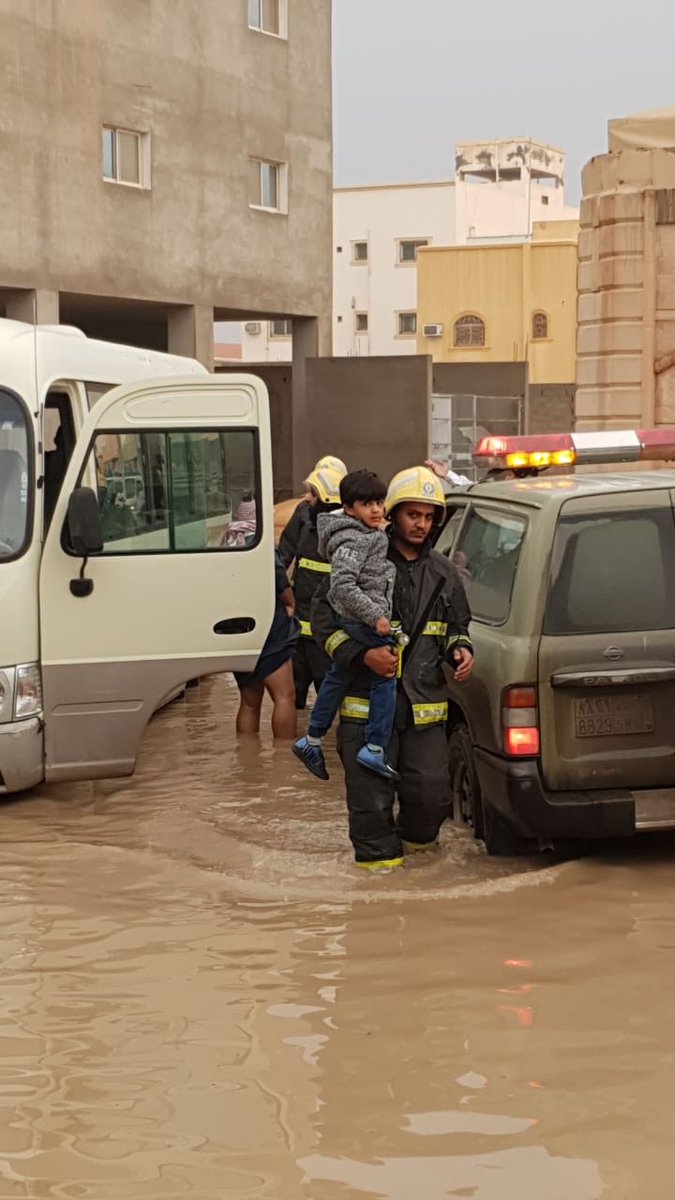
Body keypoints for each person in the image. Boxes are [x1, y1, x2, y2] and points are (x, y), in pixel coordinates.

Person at [309, 465, 474, 872]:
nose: (420, 524)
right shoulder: (359, 555)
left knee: (432, 797)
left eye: (428, 516)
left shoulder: (444, 573)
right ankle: (376, 901)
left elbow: (457, 626)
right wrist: (362, 655)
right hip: (365, 709)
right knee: (370, 805)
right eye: (411, 515)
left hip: (424, 710)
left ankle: (418, 883)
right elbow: (323, 623)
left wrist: (461, 649)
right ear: (394, 514)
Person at [293, 470, 399, 782]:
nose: (377, 510)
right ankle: (376, 746)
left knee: (336, 679)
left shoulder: (362, 533)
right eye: (367, 504)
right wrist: (376, 617)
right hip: (361, 621)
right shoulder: (354, 538)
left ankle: (312, 739)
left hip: (354, 619)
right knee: (386, 675)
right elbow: (341, 584)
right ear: (350, 508)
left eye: (379, 502)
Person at [290, 465, 343, 709]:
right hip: (299, 638)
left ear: (327, 500)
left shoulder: (344, 539)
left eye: (313, 493)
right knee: (291, 699)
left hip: (326, 643)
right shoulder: (307, 528)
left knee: (328, 704)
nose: (307, 499)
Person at [234, 552, 299, 739]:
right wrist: (290, 602)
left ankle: (247, 757)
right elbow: (278, 576)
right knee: (284, 696)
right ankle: (284, 758)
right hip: (268, 628)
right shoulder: (258, 540)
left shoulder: (229, 540)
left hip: (237, 627)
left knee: (249, 702)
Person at [278, 455, 347, 568]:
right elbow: (285, 552)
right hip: (303, 583)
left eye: (313, 493)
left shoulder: (352, 519)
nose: (307, 498)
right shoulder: (304, 509)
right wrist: (282, 582)